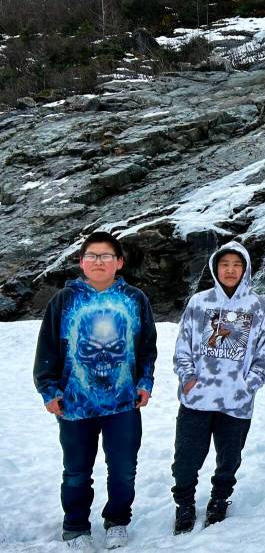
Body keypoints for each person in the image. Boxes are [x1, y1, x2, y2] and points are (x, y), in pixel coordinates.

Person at [33, 231, 158, 550]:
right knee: (76, 470)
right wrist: (48, 389)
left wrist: (145, 382)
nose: (98, 262)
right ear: (81, 261)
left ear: (119, 262)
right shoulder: (64, 300)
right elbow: (46, 347)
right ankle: (75, 527)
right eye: (92, 256)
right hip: (74, 404)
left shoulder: (135, 299)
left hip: (124, 403)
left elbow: (147, 347)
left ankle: (117, 521)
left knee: (123, 470)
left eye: (105, 256)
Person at [171, 241, 265, 534]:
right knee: (186, 457)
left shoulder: (258, 306)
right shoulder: (199, 302)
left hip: (236, 401)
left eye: (237, 265)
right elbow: (183, 346)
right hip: (197, 398)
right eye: (224, 264)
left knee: (230, 458)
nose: (230, 270)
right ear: (215, 268)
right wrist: (188, 379)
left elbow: (264, 355)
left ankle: (219, 499)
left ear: (246, 269)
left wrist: (247, 386)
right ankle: (185, 503)